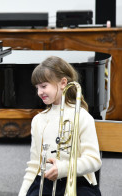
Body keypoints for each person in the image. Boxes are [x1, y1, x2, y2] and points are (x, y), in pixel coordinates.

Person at [18, 56, 102, 196]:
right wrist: (22, 193)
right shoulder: (38, 120)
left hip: (78, 180)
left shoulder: (81, 116)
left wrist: (63, 168)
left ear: (63, 83)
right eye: (37, 87)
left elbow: (94, 160)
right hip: (44, 181)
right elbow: (34, 166)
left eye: (44, 86)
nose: (39, 92)